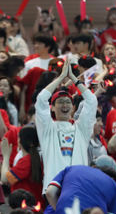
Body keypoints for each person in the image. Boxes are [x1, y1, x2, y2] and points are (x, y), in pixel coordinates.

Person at [35, 60, 97, 194]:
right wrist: (61, 77)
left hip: (78, 189)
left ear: (73, 108)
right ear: (52, 108)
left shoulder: (81, 130)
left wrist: (74, 79)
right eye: (60, 102)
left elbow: (91, 101)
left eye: (68, 102)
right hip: (53, 190)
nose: (64, 105)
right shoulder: (47, 129)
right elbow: (41, 99)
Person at [0, 126, 44, 207]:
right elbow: (11, 176)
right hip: (35, 205)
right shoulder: (35, 158)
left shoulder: (26, 161)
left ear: (20, 141)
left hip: (25, 205)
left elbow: (5, 179)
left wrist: (6, 156)